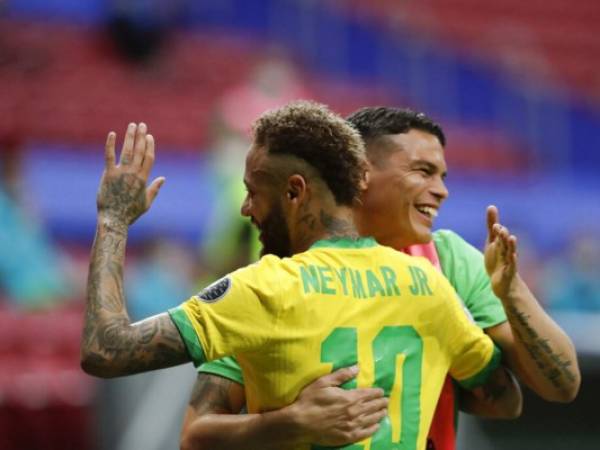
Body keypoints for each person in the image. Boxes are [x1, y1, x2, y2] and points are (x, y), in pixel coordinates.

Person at [80, 102, 514, 450]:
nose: (246, 209)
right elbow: (504, 397)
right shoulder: (429, 284)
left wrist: (114, 220)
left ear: (294, 192)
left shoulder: (262, 290)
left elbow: (106, 350)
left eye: (253, 192)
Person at [180, 107, 580, 450]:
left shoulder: (450, 259)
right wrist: (292, 420)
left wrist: (511, 294)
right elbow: (197, 434)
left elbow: (555, 389)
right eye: (423, 171)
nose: (440, 191)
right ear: (361, 173)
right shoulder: (284, 273)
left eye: (442, 176)